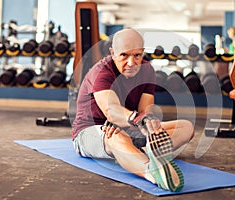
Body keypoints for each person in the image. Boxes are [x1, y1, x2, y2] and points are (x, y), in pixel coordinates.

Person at [71, 28, 195, 192]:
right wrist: (138, 119)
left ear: (142, 53)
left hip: (128, 127)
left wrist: (149, 124)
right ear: (113, 52)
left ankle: (143, 151)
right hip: (91, 130)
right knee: (116, 136)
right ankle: (153, 172)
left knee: (186, 127)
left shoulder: (147, 70)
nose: (131, 62)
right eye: (124, 55)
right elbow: (111, 110)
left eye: (137, 55)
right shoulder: (102, 71)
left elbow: (145, 109)